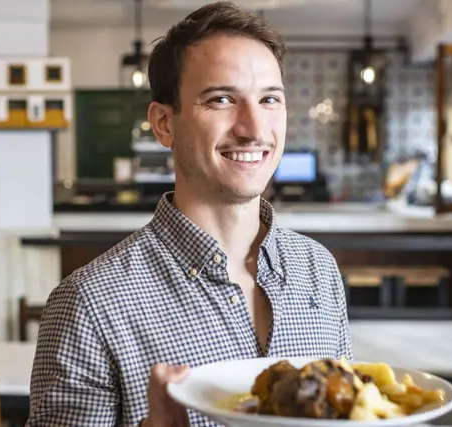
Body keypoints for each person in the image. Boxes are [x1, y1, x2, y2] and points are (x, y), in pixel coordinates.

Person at [26, 2, 352, 426]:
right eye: (221, 99)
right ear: (163, 123)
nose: (254, 128)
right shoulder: (90, 305)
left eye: (270, 98)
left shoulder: (319, 271)